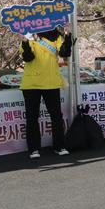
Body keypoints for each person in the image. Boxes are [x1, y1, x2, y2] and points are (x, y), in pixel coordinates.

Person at [19, 26, 72, 159]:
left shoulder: (57, 37)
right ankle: (34, 149)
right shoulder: (29, 36)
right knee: (32, 117)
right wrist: (24, 42)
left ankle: (59, 146)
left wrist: (67, 35)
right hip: (31, 83)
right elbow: (28, 58)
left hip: (51, 81)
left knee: (56, 116)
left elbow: (65, 53)